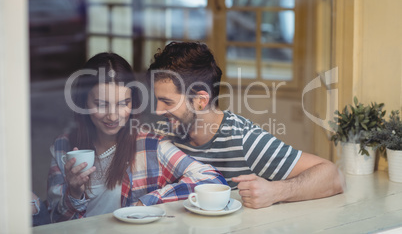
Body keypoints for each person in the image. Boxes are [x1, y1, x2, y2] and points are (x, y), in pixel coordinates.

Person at [148, 42, 345, 209]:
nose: (157, 111)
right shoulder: (163, 133)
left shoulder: (243, 139)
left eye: (167, 102)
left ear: (200, 100)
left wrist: (276, 191)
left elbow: (333, 177)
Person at [47, 52, 226, 222]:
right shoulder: (64, 146)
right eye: (101, 104)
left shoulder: (150, 145)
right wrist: (73, 193)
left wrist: (147, 202)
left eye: (123, 104)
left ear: (134, 102)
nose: (112, 116)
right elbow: (55, 220)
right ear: (84, 102)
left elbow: (211, 178)